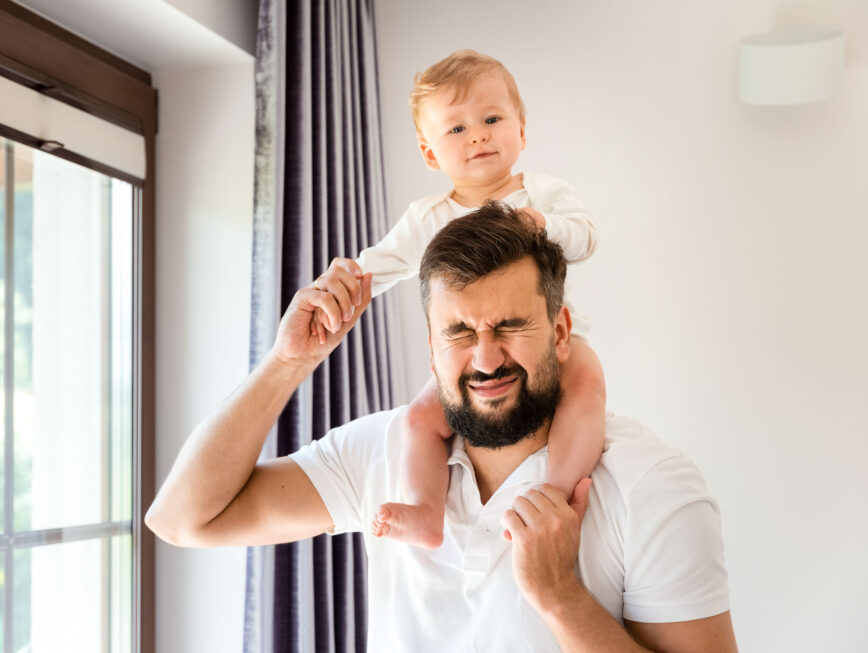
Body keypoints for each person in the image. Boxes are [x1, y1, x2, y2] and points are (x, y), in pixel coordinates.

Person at [146, 204, 737, 651]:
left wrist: (563, 600)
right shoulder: (380, 453)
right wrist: (288, 363)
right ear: (430, 345)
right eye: (458, 333)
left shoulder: (652, 486)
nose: (485, 358)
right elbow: (183, 519)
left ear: (560, 331)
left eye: (509, 325)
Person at [310, 50, 605, 549]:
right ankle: (426, 511)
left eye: (492, 119)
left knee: (586, 389)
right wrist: (341, 282)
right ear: (430, 154)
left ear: (522, 131)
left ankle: (552, 494)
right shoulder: (428, 217)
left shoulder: (545, 193)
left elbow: (587, 238)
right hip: (465, 358)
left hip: (556, 341)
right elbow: (377, 266)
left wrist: (546, 225)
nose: (479, 135)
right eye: (457, 129)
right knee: (419, 419)